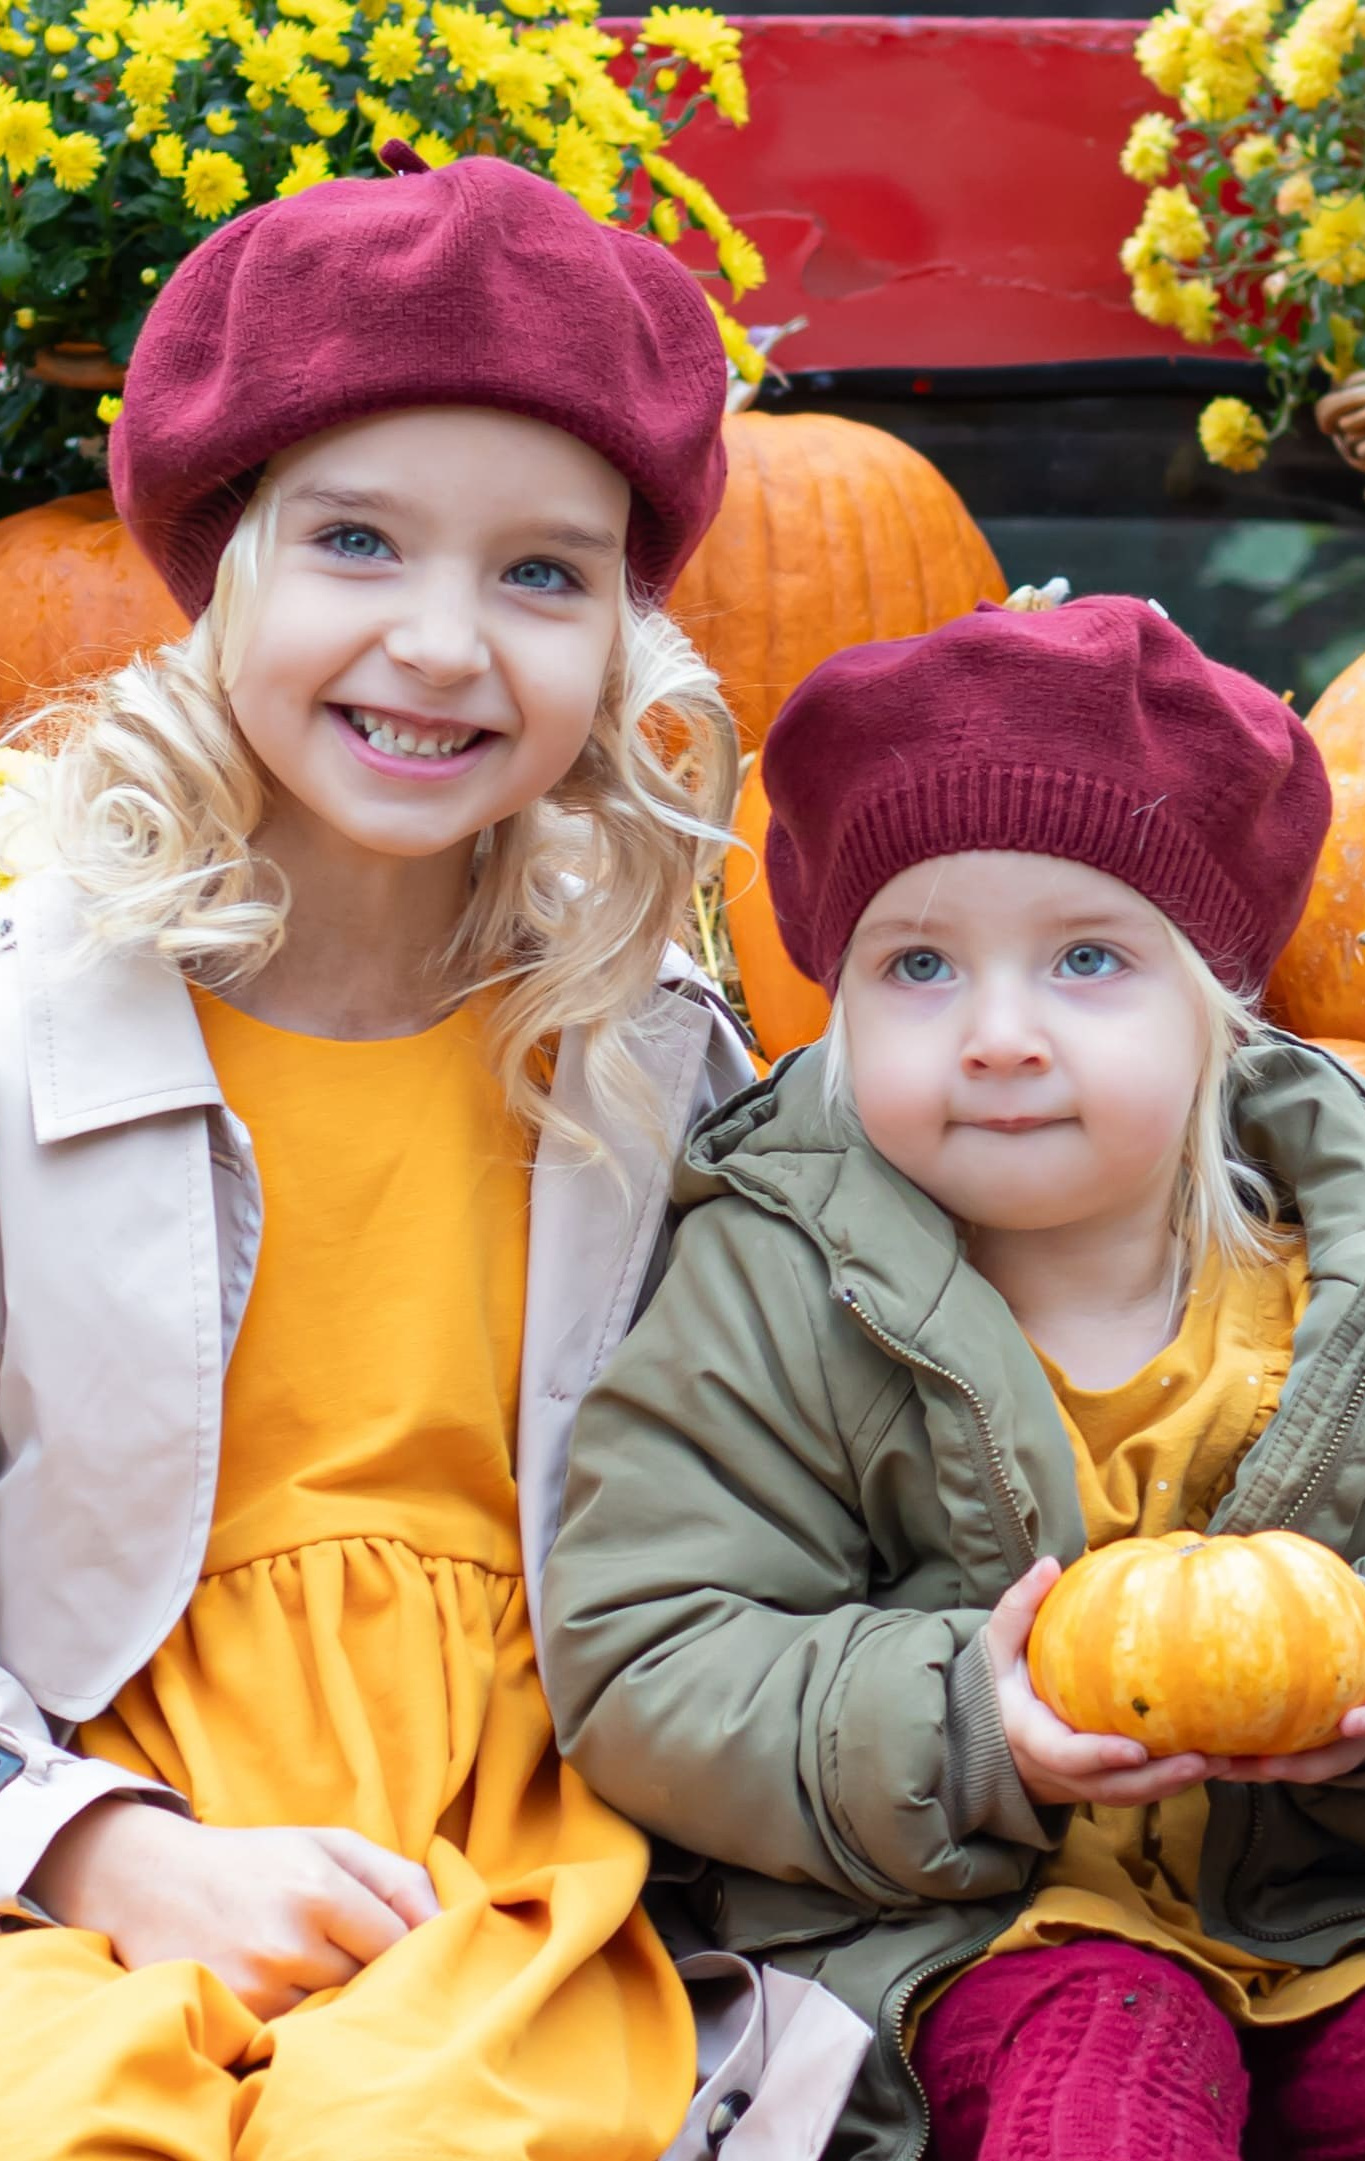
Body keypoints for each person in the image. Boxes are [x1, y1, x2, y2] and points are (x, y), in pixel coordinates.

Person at [0, 146, 862, 2161]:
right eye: (360, 541)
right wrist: (94, 1848)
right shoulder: (33, 1018)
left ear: (624, 631)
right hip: (74, 1829)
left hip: (500, 1874)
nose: (449, 643)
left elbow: (775, 1500)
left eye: (543, 571)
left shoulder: (644, 1052)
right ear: (222, 565)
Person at [544, 593, 1365, 2161]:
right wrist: (964, 1720)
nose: (999, 1035)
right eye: (918, 966)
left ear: (1215, 1006)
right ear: (833, 1003)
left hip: (1341, 1910)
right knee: (1102, 2093)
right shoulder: (780, 1278)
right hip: (961, 1935)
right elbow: (645, 1654)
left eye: (1086, 958)